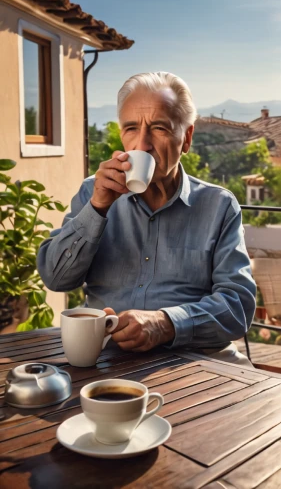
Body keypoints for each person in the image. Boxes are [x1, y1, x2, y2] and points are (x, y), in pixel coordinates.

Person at [37, 71, 256, 366]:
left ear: (187, 138)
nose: (142, 145)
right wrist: (97, 208)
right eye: (131, 129)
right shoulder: (94, 192)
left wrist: (166, 323)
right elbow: (56, 278)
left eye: (159, 128)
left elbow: (238, 307)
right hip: (107, 356)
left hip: (198, 358)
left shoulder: (218, 205)